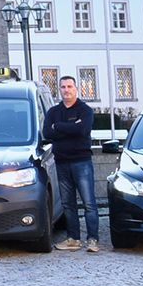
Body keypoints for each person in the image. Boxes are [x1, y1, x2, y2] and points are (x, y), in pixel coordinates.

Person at [44, 75, 100, 253]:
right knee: (68, 204)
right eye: (63, 87)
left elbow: (83, 130)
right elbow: (47, 133)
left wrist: (58, 127)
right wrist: (71, 127)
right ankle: (73, 239)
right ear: (59, 90)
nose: (66, 90)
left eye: (69, 86)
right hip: (61, 163)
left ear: (76, 89)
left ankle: (92, 240)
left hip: (81, 162)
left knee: (89, 203)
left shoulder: (85, 110)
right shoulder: (53, 112)